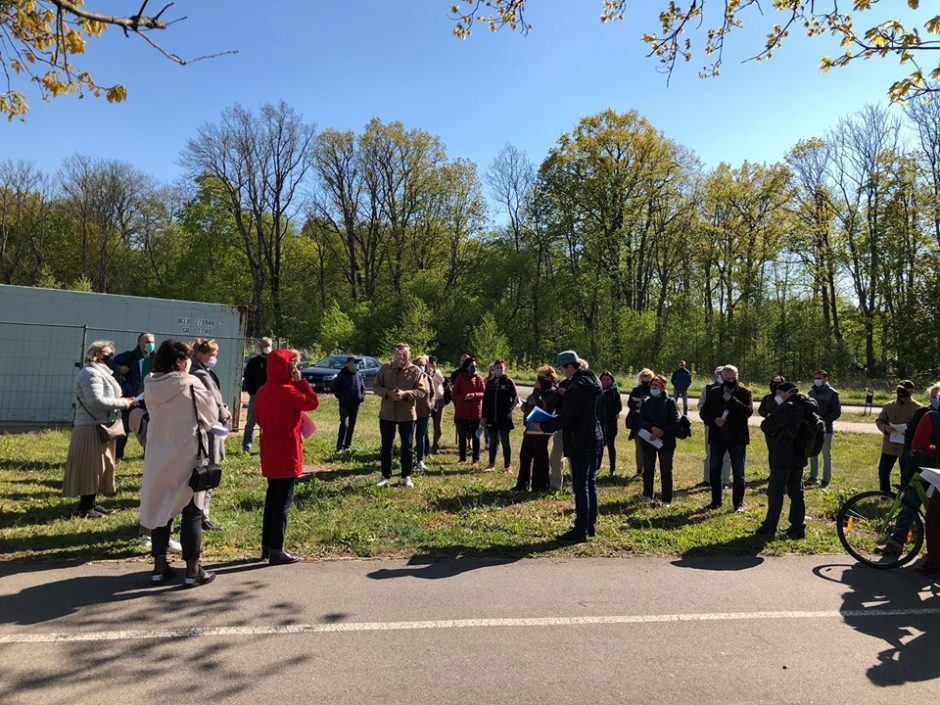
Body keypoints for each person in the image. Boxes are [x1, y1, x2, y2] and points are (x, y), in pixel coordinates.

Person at [139, 339, 218, 587]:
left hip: (158, 453)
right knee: (192, 510)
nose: (189, 363)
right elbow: (210, 415)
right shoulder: (190, 384)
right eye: (187, 358)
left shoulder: (150, 384)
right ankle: (193, 569)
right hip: (187, 453)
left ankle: (159, 566)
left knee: (162, 509)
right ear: (178, 361)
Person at [254, 348, 319, 565]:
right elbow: (312, 402)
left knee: (272, 499)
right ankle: (277, 549)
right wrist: (301, 382)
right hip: (287, 451)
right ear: (288, 368)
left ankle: (267, 545)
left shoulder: (263, 391)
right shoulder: (288, 391)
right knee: (283, 502)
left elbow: (260, 419)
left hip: (270, 449)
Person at [536, 351, 603, 542]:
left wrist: (546, 425)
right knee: (590, 482)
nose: (562, 372)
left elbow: (567, 417)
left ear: (570, 366)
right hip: (594, 436)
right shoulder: (593, 379)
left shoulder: (576, 387)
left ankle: (580, 529)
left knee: (580, 485)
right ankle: (590, 525)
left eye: (563, 368)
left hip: (580, 439)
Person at [64, 340, 133, 517]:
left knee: (100, 466)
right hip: (90, 427)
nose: (112, 357)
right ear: (97, 354)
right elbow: (95, 401)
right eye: (108, 354)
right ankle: (84, 507)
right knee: (90, 467)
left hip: (103, 425)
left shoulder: (103, 373)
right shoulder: (90, 373)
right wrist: (124, 403)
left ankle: (92, 503)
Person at [756, 382, 811, 539]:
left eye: (779, 393)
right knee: (796, 492)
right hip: (800, 455)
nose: (777, 396)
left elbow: (767, 426)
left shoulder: (789, 407)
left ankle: (770, 525)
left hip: (783, 454)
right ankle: (797, 526)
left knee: (775, 491)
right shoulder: (807, 403)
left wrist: (771, 419)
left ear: (787, 392)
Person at [189, 338, 232, 532]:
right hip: (209, 429)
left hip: (200, 428)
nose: (214, 358)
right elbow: (213, 399)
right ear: (200, 354)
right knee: (209, 472)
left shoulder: (194, 371)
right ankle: (203, 514)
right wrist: (224, 412)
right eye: (211, 354)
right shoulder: (202, 374)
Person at [699, 364, 753, 512]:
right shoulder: (713, 392)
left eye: (732, 378)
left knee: (738, 472)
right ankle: (716, 501)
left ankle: (738, 504)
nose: (730, 380)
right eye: (727, 378)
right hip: (717, 438)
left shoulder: (744, 392)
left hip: (737, 439)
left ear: (737, 377)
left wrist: (731, 400)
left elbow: (747, 412)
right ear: (722, 377)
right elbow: (703, 413)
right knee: (714, 470)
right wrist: (714, 419)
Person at [373, 343, 426, 487]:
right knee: (386, 446)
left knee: (407, 446)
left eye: (404, 354)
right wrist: (388, 394)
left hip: (407, 415)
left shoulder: (415, 371)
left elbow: (422, 391)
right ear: (395, 355)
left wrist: (405, 394)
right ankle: (385, 476)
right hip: (387, 413)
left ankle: (406, 476)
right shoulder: (385, 368)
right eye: (398, 354)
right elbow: (376, 387)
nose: (401, 357)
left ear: (409, 355)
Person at [633, 374, 680, 504]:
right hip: (648, 440)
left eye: (657, 385)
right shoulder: (647, 402)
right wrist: (652, 428)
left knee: (666, 471)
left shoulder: (670, 402)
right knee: (648, 470)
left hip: (666, 442)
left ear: (663, 387)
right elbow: (641, 420)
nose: (654, 387)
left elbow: (675, 422)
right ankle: (647, 495)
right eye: (652, 385)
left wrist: (662, 431)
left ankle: (666, 500)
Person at [111, 331, 155, 460]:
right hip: (132, 396)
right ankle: (118, 455)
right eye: (147, 342)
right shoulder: (130, 356)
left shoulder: (156, 358)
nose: (150, 345)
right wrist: (120, 369)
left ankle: (148, 454)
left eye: (152, 342)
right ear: (139, 343)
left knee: (150, 426)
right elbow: (111, 363)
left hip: (150, 397)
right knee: (125, 425)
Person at [516, 365, 560, 492]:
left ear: (548, 377)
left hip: (542, 428)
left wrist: (536, 391)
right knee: (525, 455)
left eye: (540, 377)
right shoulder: (538, 390)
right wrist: (525, 406)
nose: (538, 380)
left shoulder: (552, 391)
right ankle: (522, 484)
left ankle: (540, 485)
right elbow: (533, 403)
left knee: (540, 457)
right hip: (530, 428)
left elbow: (542, 407)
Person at [875, 380, 921, 494]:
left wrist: (909, 431)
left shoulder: (918, 408)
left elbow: (920, 427)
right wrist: (885, 428)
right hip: (889, 445)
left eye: (904, 390)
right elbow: (880, 421)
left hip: (906, 447)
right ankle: (885, 494)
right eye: (899, 389)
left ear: (911, 391)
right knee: (883, 471)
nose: (900, 392)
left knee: (905, 473)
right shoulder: (888, 405)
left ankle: (904, 497)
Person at [697, 366, 731, 489]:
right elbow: (701, 405)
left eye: (723, 373)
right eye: (718, 374)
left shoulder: (731, 389)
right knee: (710, 453)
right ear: (715, 375)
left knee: (726, 455)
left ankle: (725, 481)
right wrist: (713, 418)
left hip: (727, 427)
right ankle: (707, 479)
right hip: (711, 426)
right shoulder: (707, 388)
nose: (721, 376)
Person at [481, 359, 518, 473]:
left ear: (505, 369)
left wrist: (508, 411)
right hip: (492, 418)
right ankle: (491, 464)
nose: (499, 370)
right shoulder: (490, 383)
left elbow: (515, 400)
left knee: (505, 442)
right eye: (497, 368)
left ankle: (508, 466)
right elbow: (485, 401)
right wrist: (483, 417)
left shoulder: (509, 382)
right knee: (492, 442)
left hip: (504, 419)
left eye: (501, 368)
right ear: (493, 370)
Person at [807, 369, 841, 487]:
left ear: (825, 379)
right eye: (815, 378)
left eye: (819, 378)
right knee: (813, 452)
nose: (817, 380)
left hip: (826, 429)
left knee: (826, 453)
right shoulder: (811, 393)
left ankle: (825, 479)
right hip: (812, 429)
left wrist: (822, 420)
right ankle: (813, 477)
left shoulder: (833, 393)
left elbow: (836, 412)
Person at [452, 356, 486, 467]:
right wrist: (464, 397)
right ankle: (462, 458)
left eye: (475, 366)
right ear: (467, 367)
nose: (474, 368)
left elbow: (484, 393)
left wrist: (474, 395)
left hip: (476, 412)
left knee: (476, 437)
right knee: (462, 436)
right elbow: (454, 394)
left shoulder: (479, 379)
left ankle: (476, 459)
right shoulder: (460, 378)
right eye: (472, 366)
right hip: (462, 412)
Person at [242, 337, 272, 454]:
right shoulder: (253, 362)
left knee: (268, 423)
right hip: (256, 396)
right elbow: (248, 379)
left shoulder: (274, 361)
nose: (267, 348)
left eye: (269, 345)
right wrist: (253, 393)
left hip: (271, 397)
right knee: (251, 422)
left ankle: (266, 447)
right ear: (260, 347)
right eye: (265, 345)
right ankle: (246, 448)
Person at [332, 356, 366, 452]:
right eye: (354, 362)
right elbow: (335, 388)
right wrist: (341, 398)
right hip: (344, 404)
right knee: (344, 424)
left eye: (356, 362)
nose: (356, 364)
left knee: (352, 425)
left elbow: (363, 388)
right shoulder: (342, 374)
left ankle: (347, 445)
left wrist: (361, 397)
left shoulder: (358, 374)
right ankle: (340, 447)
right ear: (348, 364)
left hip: (355, 404)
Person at [626, 369, 654, 477]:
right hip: (638, 423)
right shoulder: (636, 390)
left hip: (651, 423)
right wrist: (637, 404)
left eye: (648, 381)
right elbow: (630, 403)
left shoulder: (654, 390)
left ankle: (649, 470)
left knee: (650, 448)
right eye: (643, 381)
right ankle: (639, 470)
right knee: (639, 447)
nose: (645, 384)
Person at [413, 355, 435, 472]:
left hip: (425, 413)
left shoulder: (427, 378)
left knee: (420, 437)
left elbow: (433, 394)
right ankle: (406, 459)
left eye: (423, 365)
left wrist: (431, 404)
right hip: (411, 413)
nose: (421, 367)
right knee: (409, 437)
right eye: (419, 364)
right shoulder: (410, 378)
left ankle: (420, 460)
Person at [598, 371, 623, 475]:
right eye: (603, 379)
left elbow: (618, 407)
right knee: (599, 446)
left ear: (612, 380)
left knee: (610, 446)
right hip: (599, 423)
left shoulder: (614, 390)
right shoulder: (598, 390)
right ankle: (597, 468)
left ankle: (612, 468)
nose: (605, 381)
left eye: (608, 379)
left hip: (611, 423)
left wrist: (608, 416)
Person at [427, 356, 446, 454]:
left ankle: (435, 446)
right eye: (430, 363)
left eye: (433, 363)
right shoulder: (424, 372)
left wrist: (434, 372)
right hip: (428, 401)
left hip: (439, 400)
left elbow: (442, 380)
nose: (431, 364)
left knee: (438, 426)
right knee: (426, 424)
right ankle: (425, 446)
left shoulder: (437, 371)